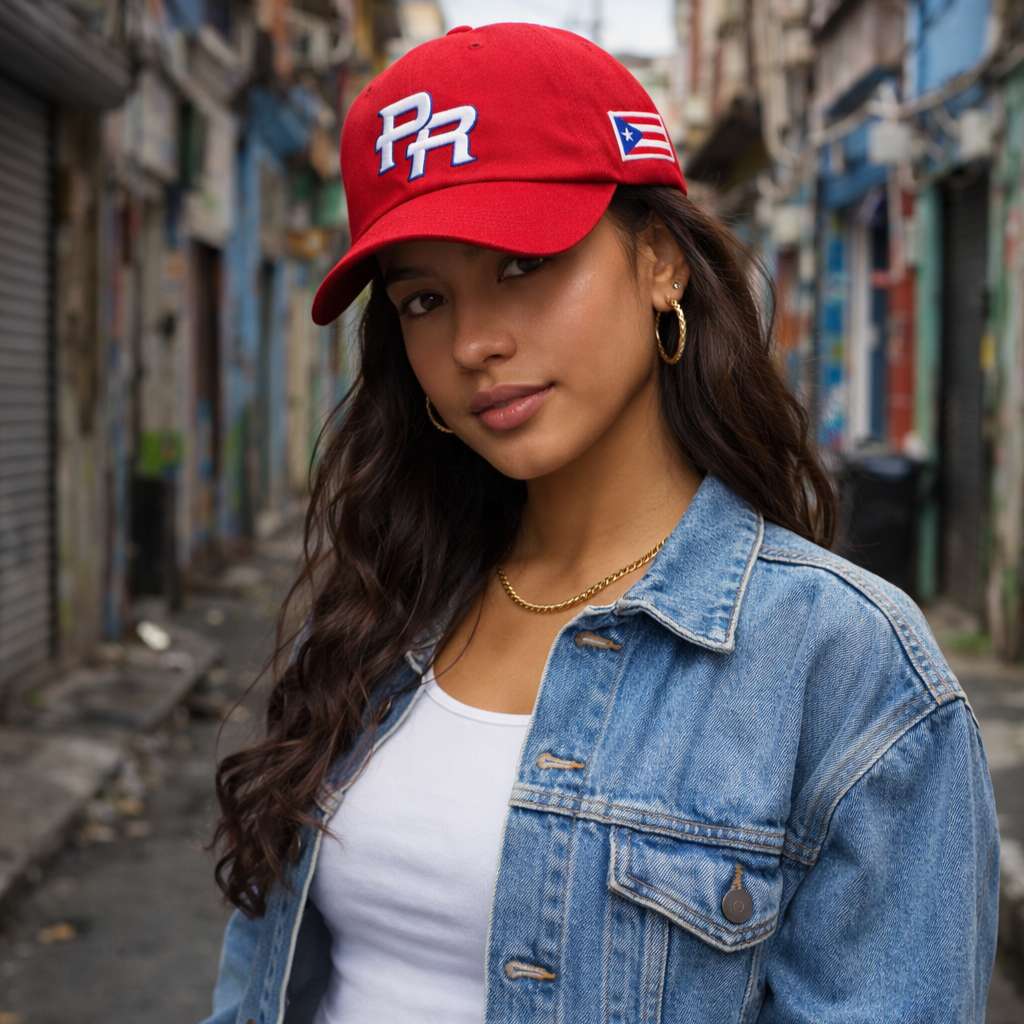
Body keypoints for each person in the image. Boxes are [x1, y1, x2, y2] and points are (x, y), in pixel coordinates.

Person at [200, 21, 1000, 1024]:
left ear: (659, 260)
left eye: (521, 265)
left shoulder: (843, 667)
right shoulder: (379, 611)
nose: (474, 341)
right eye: (424, 299)